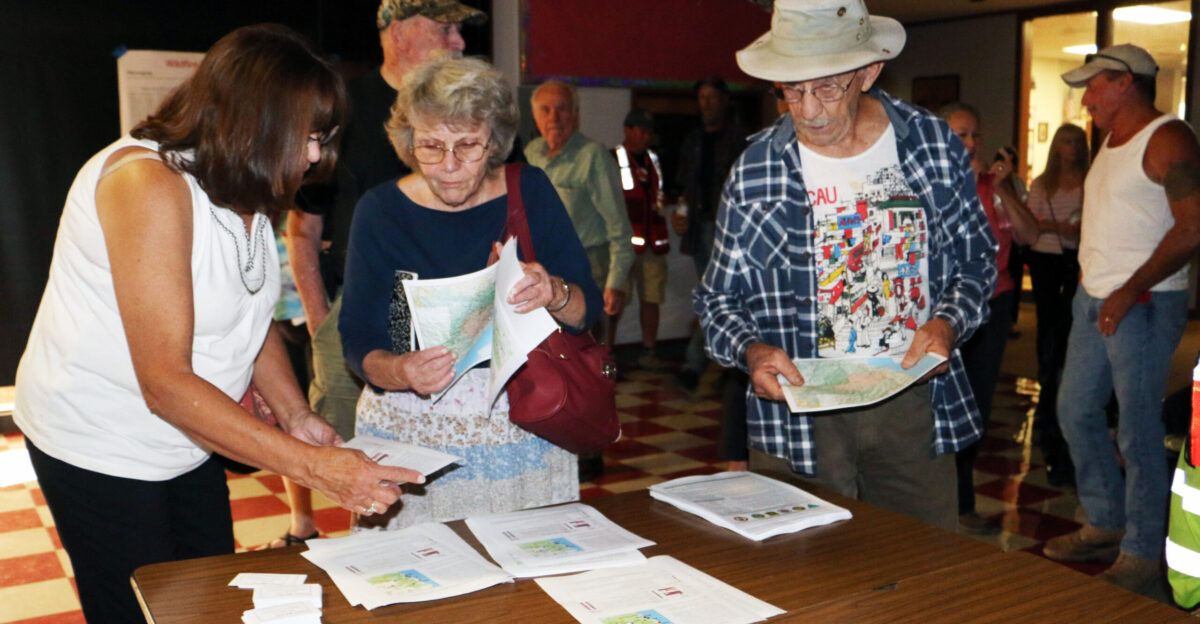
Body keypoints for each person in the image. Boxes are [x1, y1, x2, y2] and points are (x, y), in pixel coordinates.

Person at [11, 25, 423, 623]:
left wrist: (296, 415)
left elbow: (249, 321)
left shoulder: (246, 179)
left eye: (321, 138)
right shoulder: (146, 185)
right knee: (139, 609)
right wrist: (310, 467)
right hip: (99, 441)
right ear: (251, 119)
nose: (313, 156)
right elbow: (165, 382)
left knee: (205, 600)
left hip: (191, 435)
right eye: (305, 136)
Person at [695, 0, 998, 531]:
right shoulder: (757, 168)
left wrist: (948, 322)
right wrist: (751, 351)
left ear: (868, 71)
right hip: (798, 410)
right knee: (806, 586)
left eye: (827, 87)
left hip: (910, 401)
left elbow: (976, 262)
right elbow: (717, 299)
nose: (808, 110)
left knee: (923, 574)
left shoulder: (930, 144)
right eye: (791, 90)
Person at [339, 57, 602, 530]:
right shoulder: (380, 211)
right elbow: (357, 341)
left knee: (527, 586)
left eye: (468, 146)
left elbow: (587, 313)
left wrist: (553, 291)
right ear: (409, 142)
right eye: (432, 147)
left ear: (495, 141)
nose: (451, 166)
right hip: (411, 435)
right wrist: (400, 370)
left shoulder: (531, 191)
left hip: (520, 432)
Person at [279, 0, 485, 548]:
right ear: (396, 32)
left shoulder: (462, 112)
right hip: (361, 310)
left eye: (462, 31)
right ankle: (317, 535)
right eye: (446, 27)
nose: (460, 41)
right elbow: (301, 229)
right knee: (340, 453)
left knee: (441, 467)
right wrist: (324, 321)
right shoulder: (345, 107)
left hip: (454, 310)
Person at [1043, 44, 1200, 598]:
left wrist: (1131, 288)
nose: (1085, 98)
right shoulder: (1108, 141)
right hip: (1096, 299)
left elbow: (1192, 226)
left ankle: (1142, 551)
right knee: (1075, 409)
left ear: (1124, 83)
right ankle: (1107, 521)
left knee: (1137, 429)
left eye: (1093, 86)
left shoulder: (1168, 138)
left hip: (1144, 304)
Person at [525, 79, 632, 483]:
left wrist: (615, 282)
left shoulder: (593, 158)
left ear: (577, 113)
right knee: (548, 368)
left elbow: (619, 229)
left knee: (588, 370)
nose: (556, 117)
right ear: (535, 115)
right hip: (538, 280)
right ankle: (550, 440)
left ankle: (590, 451)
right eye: (547, 109)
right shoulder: (531, 154)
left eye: (564, 108)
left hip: (585, 274)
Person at [940, 103, 1038, 534]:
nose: (972, 143)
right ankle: (938, 502)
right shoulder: (926, 186)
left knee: (974, 407)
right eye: (961, 135)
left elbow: (1031, 236)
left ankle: (962, 504)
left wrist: (1002, 189)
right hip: (938, 311)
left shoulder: (990, 187)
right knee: (933, 408)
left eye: (975, 135)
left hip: (990, 306)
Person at [1015, 123, 1091, 487]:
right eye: (1065, 141)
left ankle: (1059, 369)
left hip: (1074, 261)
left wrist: (1052, 226)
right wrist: (1057, 227)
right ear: (1056, 147)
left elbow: (1086, 226)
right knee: (1049, 324)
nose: (1071, 147)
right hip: (1045, 260)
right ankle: (1049, 370)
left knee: (1068, 323)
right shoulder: (1042, 183)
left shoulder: (1091, 181)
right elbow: (1031, 224)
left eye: (1077, 141)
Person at [672, 76, 747, 392]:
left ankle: (698, 364)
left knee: (714, 295)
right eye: (701, 98)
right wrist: (680, 213)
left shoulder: (740, 141)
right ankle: (715, 364)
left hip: (727, 228)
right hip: (700, 227)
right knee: (711, 295)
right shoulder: (694, 140)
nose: (706, 104)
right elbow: (685, 187)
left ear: (725, 101)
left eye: (712, 98)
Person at [610, 108, 670, 368]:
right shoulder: (612, 158)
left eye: (649, 132)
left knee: (652, 297)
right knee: (614, 299)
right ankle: (606, 352)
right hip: (623, 245)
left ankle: (649, 351)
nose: (645, 136)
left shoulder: (654, 160)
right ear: (628, 130)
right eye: (641, 130)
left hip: (652, 244)